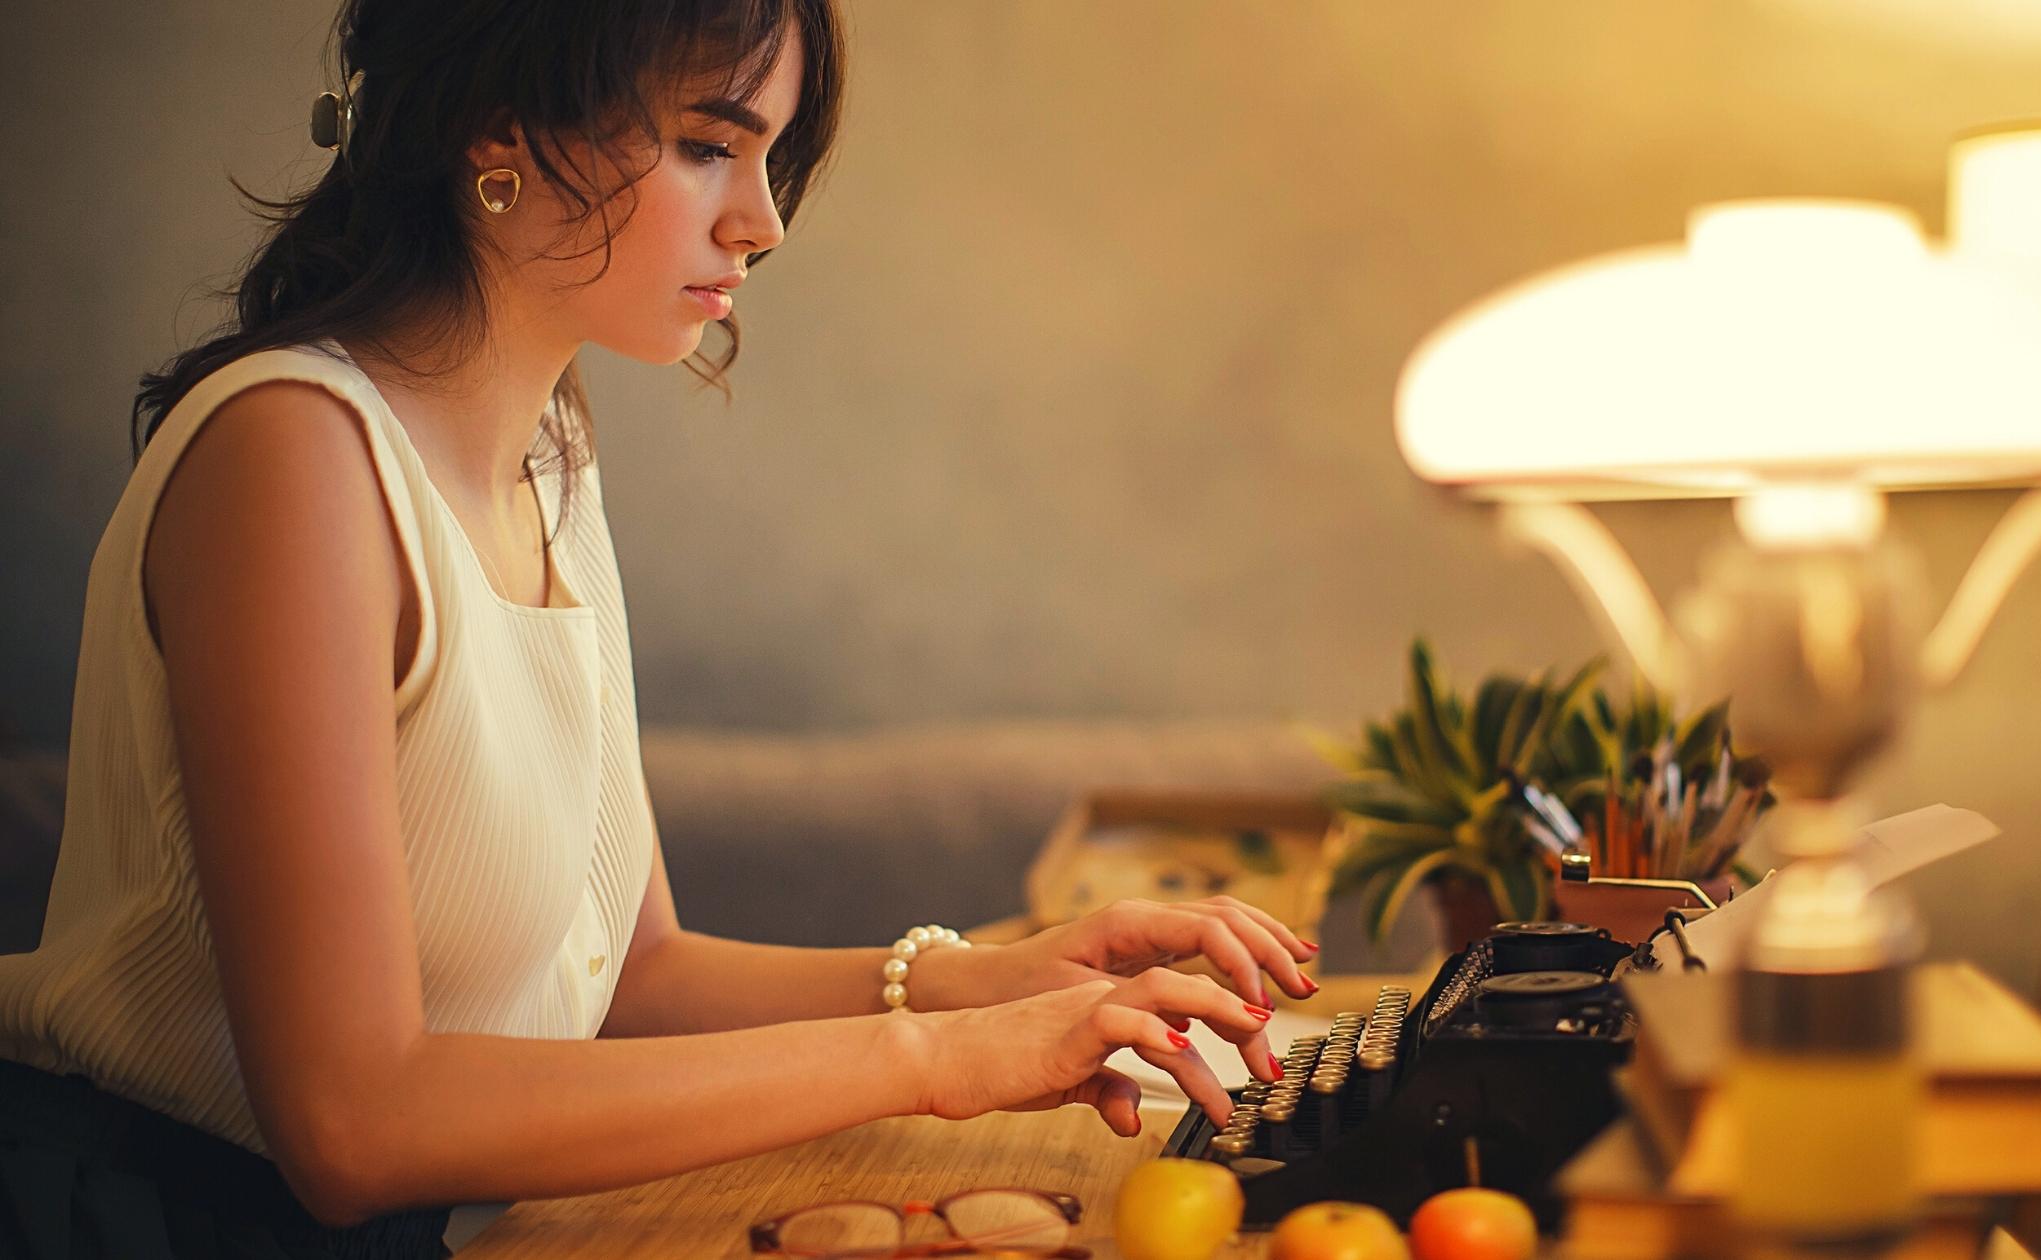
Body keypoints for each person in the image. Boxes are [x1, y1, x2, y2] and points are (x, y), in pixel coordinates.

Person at [0, 2, 1316, 1255]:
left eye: (767, 156)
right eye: (707, 145)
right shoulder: (292, 458)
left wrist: (986, 978)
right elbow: (352, 1125)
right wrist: (939, 1065)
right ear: (497, 129)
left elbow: (632, 979)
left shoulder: (550, 454)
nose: (764, 222)